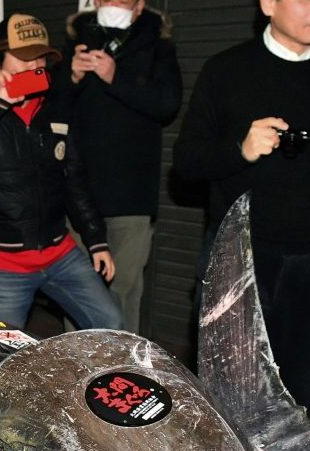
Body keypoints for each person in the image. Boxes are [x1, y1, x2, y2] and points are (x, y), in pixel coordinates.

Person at [173, 0, 310, 417]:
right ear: (268, 3)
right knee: (226, 391)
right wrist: (240, 149)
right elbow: (186, 162)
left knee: (298, 395)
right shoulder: (225, 70)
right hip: (239, 255)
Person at [0, 13, 122, 331]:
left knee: (110, 321)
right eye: (23, 58)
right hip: (2, 261)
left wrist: (96, 239)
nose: (34, 65)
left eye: (40, 56)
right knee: (5, 354)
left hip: (59, 251)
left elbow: (73, 177)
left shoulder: (54, 106)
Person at [65, 0, 182, 334]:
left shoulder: (157, 41)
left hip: (131, 191)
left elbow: (167, 103)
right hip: (78, 189)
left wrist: (115, 76)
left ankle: (123, 371)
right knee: (77, 289)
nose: (111, 2)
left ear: (140, 4)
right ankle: (73, 371)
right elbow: (55, 106)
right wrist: (71, 77)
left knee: (124, 288)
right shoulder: (79, 37)